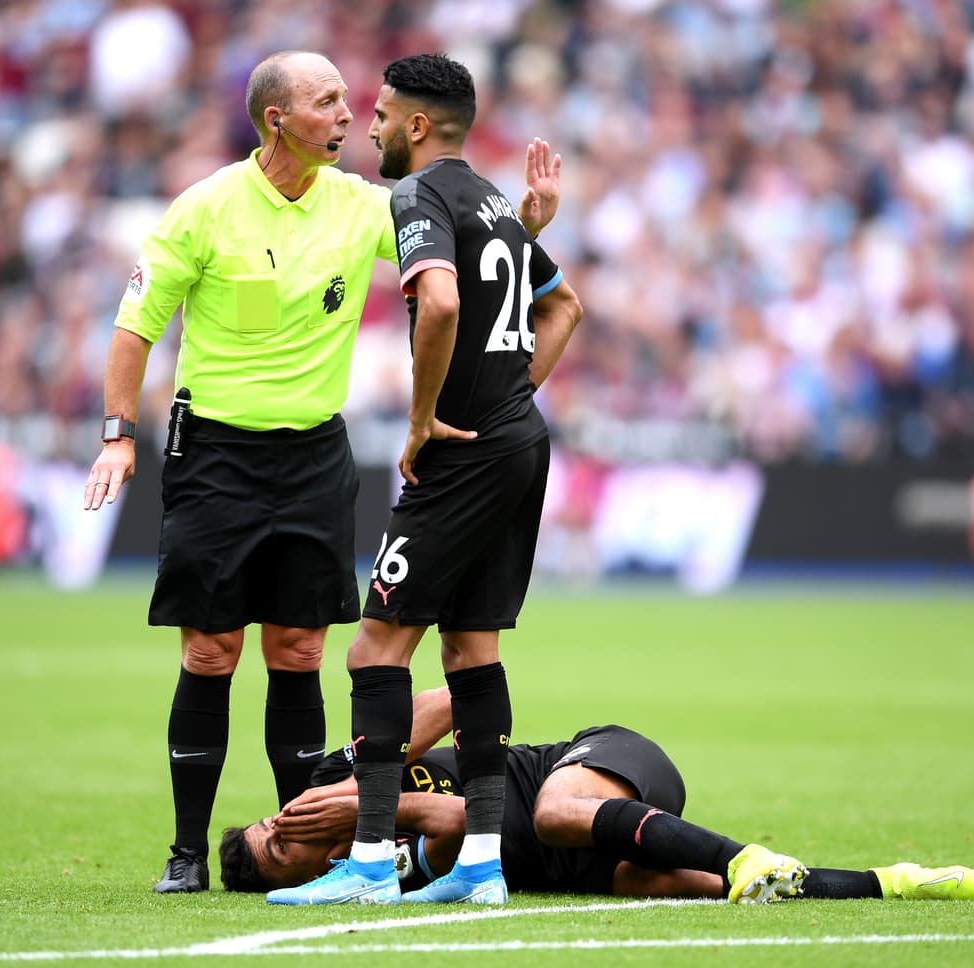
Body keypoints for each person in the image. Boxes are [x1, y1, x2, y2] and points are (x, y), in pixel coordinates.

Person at [81, 50, 562, 895]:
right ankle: (188, 850)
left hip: (314, 454)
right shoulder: (206, 209)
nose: (348, 114)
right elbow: (134, 327)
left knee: (301, 648)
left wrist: (527, 226)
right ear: (277, 119)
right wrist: (120, 435)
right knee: (211, 651)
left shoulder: (364, 203)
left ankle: (312, 835)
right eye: (328, 101)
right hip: (217, 453)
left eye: (352, 101)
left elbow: (457, 255)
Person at [269, 53, 584, 907]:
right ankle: (481, 863)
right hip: (520, 443)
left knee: (375, 647)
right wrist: (510, 397)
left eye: (377, 112)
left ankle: (370, 862)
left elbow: (439, 304)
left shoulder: (419, 197)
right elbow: (564, 307)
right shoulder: (491, 200)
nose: (365, 127)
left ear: (416, 125)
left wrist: (424, 417)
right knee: (471, 645)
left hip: (464, 452)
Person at [217, 688, 974, 905]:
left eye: (270, 821)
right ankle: (895, 880)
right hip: (573, 867)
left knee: (553, 811)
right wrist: (364, 816)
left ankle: (744, 852)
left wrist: (359, 780)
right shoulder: (375, 876)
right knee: (699, 891)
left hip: (590, 766)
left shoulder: (333, 781)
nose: (287, 823)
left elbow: (449, 705)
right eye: (279, 846)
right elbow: (452, 821)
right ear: (299, 875)